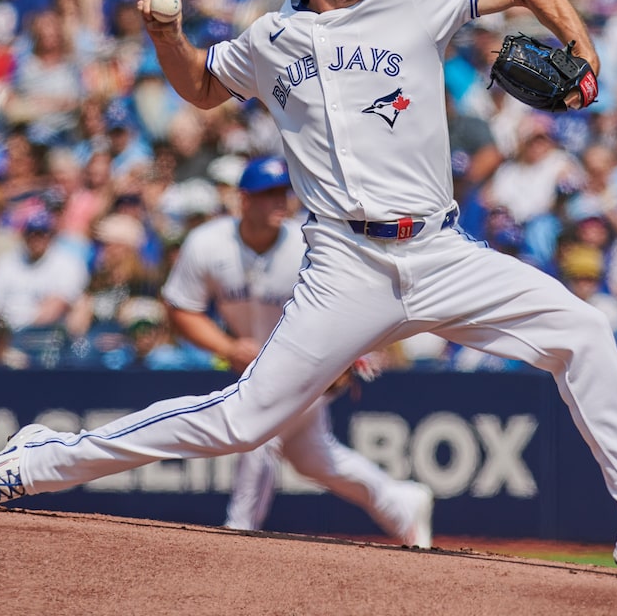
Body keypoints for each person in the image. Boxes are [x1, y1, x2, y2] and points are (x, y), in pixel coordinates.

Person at [0, 0, 617, 583]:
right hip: (345, 260)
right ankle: (35, 463)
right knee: (241, 423)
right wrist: (165, 34)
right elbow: (199, 90)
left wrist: (582, 47)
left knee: (581, 330)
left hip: (439, 251)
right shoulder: (269, 39)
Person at [163, 156, 433, 546]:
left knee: (260, 427)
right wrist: (226, 347)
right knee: (314, 459)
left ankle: (239, 532)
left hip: (315, 363)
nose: (278, 201)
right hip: (260, 365)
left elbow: (349, 305)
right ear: (243, 199)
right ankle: (400, 501)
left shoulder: (306, 246)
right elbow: (179, 308)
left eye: (282, 193)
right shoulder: (208, 243)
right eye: (266, 193)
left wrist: (346, 355)